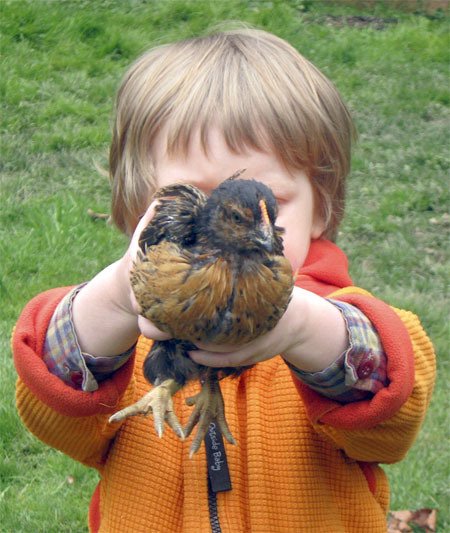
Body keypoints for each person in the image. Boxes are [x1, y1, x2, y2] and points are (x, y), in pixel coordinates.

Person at [13, 27, 435, 533]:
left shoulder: (344, 318)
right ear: (137, 207)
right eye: (198, 197)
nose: (249, 230)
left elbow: (390, 428)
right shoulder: (129, 324)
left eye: (274, 205)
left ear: (321, 208)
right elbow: (55, 422)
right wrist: (113, 303)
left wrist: (306, 328)